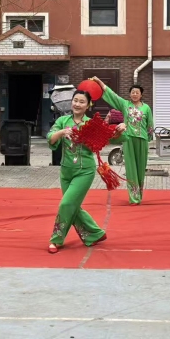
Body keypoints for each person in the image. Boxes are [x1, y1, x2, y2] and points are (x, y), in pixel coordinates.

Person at [47, 89, 127, 254]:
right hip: (65, 171)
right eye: (75, 100)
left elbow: (110, 137)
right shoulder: (62, 121)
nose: (77, 104)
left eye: (82, 102)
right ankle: (94, 233)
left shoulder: (91, 124)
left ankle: (56, 239)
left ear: (88, 105)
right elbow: (51, 138)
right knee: (73, 205)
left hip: (85, 171)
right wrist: (62, 132)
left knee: (66, 204)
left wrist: (119, 130)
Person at [90, 77, 154, 206]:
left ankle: (139, 193)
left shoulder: (146, 108)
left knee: (141, 167)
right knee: (131, 168)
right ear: (130, 94)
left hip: (142, 140)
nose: (134, 94)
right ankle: (134, 197)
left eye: (137, 92)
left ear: (141, 95)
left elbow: (150, 124)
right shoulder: (125, 104)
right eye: (132, 92)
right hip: (128, 138)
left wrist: (149, 138)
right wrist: (99, 82)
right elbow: (112, 95)